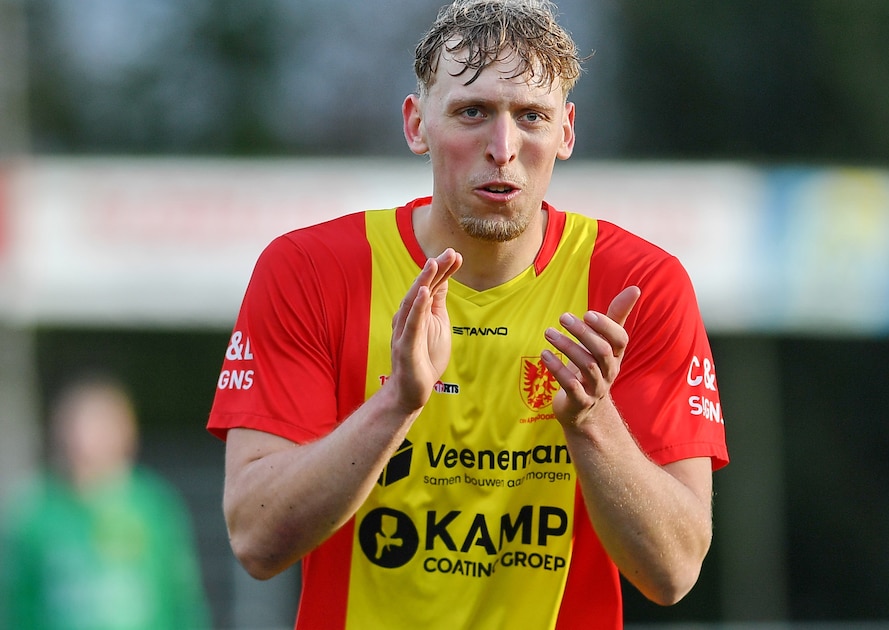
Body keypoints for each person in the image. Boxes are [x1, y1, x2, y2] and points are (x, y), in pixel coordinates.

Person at [207, 0, 728, 627]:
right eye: (472, 112)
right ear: (416, 123)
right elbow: (256, 541)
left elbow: (672, 572)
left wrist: (591, 421)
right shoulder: (309, 270)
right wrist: (395, 403)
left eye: (530, 116)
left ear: (566, 132)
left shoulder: (639, 286)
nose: (503, 147)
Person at [0, 375, 211, 630]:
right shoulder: (34, 515)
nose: (84, 442)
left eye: (97, 428)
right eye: (75, 428)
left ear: (126, 431)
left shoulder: (154, 507)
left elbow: (183, 599)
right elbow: (16, 605)